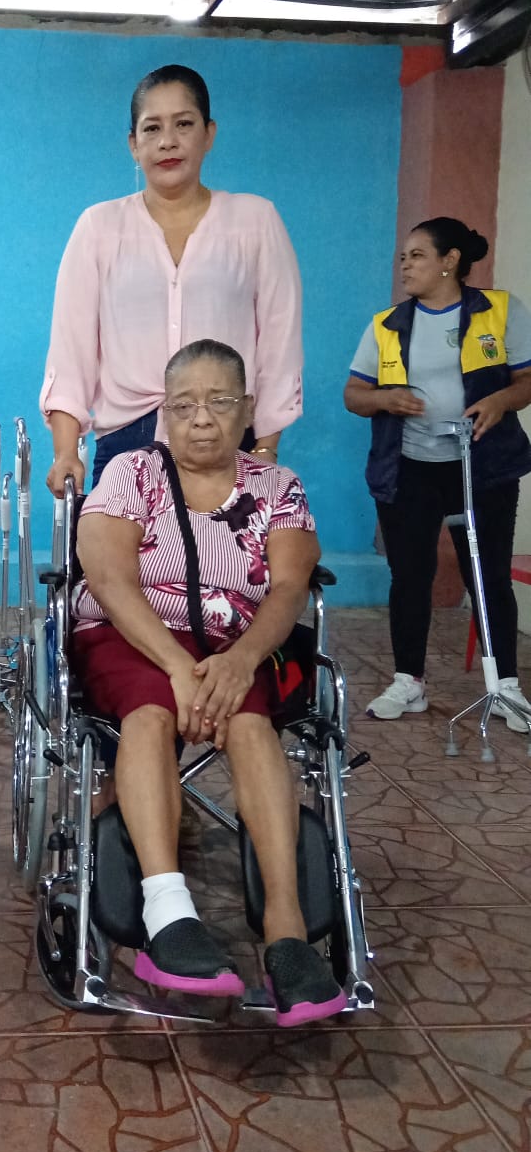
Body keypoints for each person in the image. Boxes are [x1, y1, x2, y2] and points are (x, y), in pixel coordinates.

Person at [72, 340, 344, 1027]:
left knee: (251, 724)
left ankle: (287, 936)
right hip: (130, 633)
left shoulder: (276, 488)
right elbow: (106, 576)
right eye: (184, 404)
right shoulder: (132, 473)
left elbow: (289, 588)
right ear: (163, 413)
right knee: (149, 715)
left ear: (247, 410)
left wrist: (241, 660)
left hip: (234, 645)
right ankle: (169, 915)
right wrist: (174, 665)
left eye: (219, 402)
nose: (201, 418)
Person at [42, 64, 302, 496]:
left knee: (224, 545)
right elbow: (71, 350)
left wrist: (266, 448)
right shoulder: (98, 228)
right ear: (133, 144)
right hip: (128, 441)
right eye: (152, 128)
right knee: (119, 544)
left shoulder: (255, 221)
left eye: (184, 124)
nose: (168, 141)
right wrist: (66, 451)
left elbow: (280, 344)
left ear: (209, 134)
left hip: (225, 438)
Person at [344, 218, 531, 724]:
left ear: (450, 261)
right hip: (408, 470)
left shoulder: (500, 311)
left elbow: (527, 380)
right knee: (409, 576)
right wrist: (385, 399)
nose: (405, 265)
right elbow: (354, 394)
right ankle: (409, 682)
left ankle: (505, 686)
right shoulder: (386, 325)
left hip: (482, 467)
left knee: (488, 574)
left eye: (417, 255)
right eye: (403, 257)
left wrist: (500, 402)